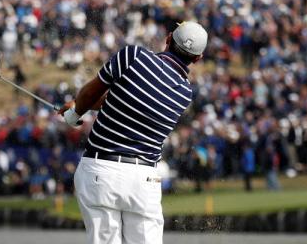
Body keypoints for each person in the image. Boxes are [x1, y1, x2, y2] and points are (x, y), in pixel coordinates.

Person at [59, 21, 208, 244]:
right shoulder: (184, 92)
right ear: (197, 58)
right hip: (143, 180)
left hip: (101, 170)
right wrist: (83, 104)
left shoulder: (133, 56)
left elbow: (94, 90)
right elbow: (121, 97)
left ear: (168, 38)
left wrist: (76, 112)